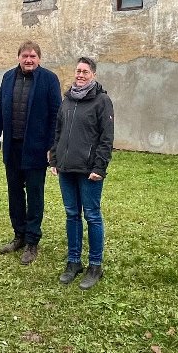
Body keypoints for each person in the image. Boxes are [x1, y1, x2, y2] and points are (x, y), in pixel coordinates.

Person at [0, 41, 61, 265]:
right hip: (13, 147)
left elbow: (56, 115)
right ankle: (19, 235)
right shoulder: (8, 77)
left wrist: (53, 146)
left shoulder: (49, 79)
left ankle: (32, 241)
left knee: (35, 195)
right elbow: (0, 108)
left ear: (39, 58)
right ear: (18, 57)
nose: (28, 60)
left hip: (37, 149)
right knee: (15, 193)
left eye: (33, 56)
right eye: (25, 56)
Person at [50, 57, 114, 290]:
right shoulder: (67, 100)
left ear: (93, 75)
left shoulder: (102, 101)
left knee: (92, 216)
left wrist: (100, 167)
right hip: (66, 168)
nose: (80, 75)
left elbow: (106, 138)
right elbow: (58, 132)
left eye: (85, 71)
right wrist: (54, 159)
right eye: (78, 71)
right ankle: (73, 261)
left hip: (89, 171)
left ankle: (95, 265)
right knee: (71, 215)